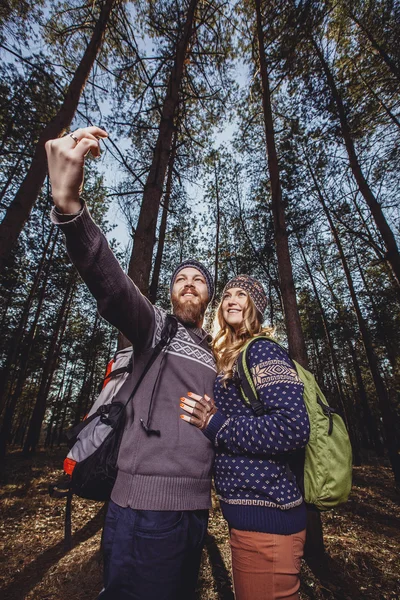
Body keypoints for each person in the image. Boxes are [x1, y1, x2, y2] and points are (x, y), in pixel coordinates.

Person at [45, 127, 217, 600]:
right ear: (170, 292)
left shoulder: (218, 353)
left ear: (208, 295)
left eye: (197, 280)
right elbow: (113, 287)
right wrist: (70, 207)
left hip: (196, 513)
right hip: (141, 511)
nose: (187, 283)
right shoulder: (154, 328)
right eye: (180, 277)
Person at [180, 274, 310, 600]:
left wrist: (218, 425)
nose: (232, 300)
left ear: (255, 307)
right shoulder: (231, 356)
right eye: (227, 295)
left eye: (243, 294)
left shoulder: (262, 351)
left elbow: (292, 426)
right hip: (253, 520)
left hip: (269, 520)